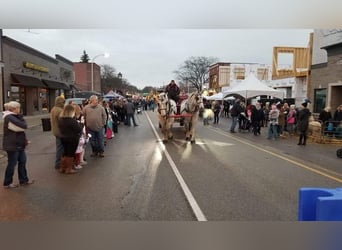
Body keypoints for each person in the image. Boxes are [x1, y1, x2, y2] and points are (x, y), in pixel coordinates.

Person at [3, 101, 34, 188]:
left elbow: (22, 128)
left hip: (19, 144)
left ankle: (23, 180)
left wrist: (25, 140)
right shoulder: (9, 117)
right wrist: (22, 123)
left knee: (22, 161)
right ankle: (8, 182)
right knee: (12, 164)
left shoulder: (15, 116)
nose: (19, 109)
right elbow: (23, 126)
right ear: (15, 108)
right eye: (18, 108)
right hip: (12, 145)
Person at [58, 104, 83, 174]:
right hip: (72, 139)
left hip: (63, 138)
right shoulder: (72, 121)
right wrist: (81, 124)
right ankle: (69, 169)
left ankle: (62, 168)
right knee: (70, 154)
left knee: (64, 153)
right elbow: (78, 130)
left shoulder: (61, 120)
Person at [50, 96, 65, 170]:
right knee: (60, 148)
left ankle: (59, 162)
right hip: (60, 131)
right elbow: (62, 122)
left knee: (59, 147)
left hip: (56, 131)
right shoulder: (59, 110)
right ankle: (58, 163)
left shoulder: (53, 109)